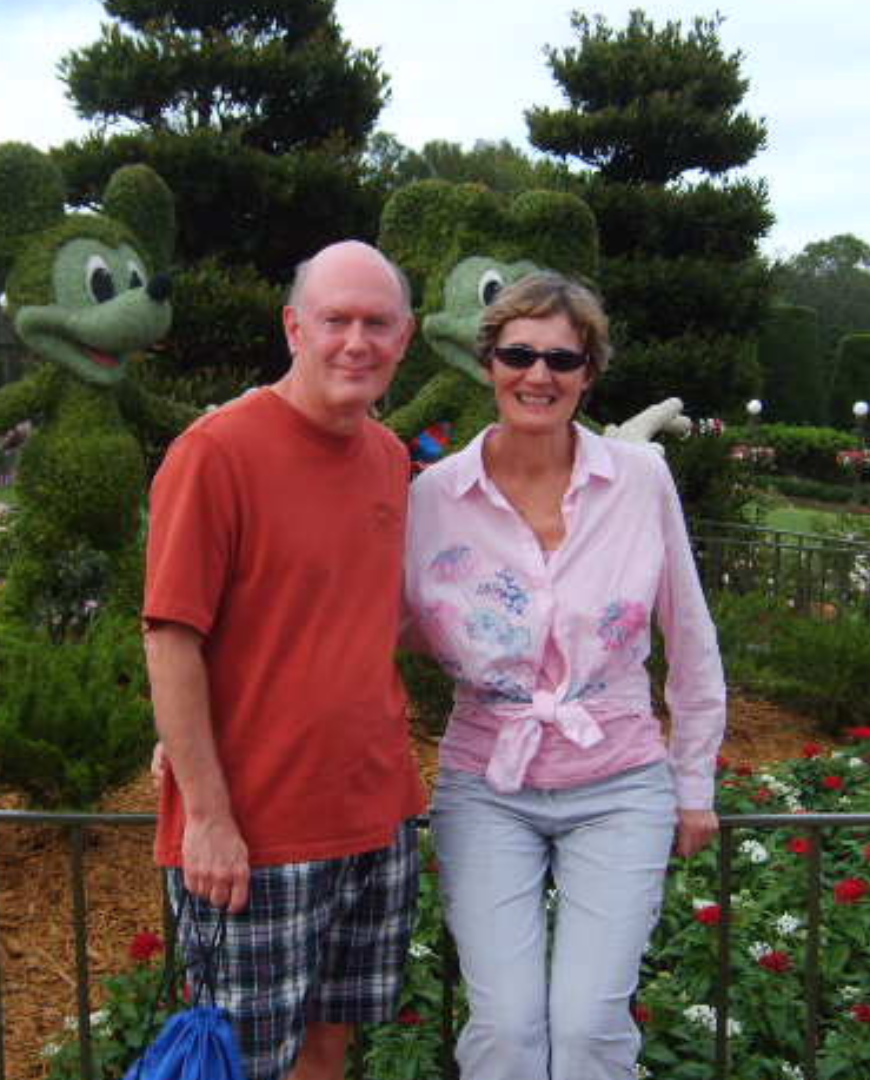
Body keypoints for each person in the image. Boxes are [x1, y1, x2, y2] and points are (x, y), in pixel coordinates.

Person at [404, 270, 726, 1080]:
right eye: (519, 353)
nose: (538, 375)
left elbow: (689, 637)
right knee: (508, 1030)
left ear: (589, 374)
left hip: (618, 783)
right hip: (487, 782)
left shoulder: (640, 481)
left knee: (586, 1029)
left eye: (562, 359)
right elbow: (363, 632)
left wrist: (694, 784)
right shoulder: (434, 497)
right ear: (490, 364)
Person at [142, 240, 427, 1080]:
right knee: (242, 1062)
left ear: (404, 338)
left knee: (329, 1048)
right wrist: (206, 811)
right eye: (336, 320)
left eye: (377, 323)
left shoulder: (388, 459)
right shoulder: (216, 453)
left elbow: (354, 615)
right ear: (294, 327)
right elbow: (170, 636)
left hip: (375, 812)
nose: (356, 342)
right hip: (255, 830)